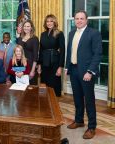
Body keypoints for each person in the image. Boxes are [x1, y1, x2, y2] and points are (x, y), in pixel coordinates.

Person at [65, 10, 102, 139]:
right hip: (74, 70)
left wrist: (90, 71)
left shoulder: (94, 33)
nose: (79, 21)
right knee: (77, 98)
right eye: (77, 18)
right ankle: (79, 120)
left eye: (82, 18)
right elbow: (69, 52)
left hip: (86, 72)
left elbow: (97, 54)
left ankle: (92, 127)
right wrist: (66, 68)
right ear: (74, 20)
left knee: (89, 100)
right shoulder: (71, 33)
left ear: (87, 20)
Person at [37, 14, 65, 97]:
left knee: (54, 86)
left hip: (55, 63)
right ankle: (45, 104)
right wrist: (39, 65)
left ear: (54, 22)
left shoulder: (59, 33)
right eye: (47, 21)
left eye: (51, 21)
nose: (49, 23)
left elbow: (63, 51)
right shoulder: (43, 34)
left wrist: (60, 67)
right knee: (44, 85)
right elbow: (41, 50)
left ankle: (54, 105)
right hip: (44, 63)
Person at [17, 20, 39, 85]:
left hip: (30, 65)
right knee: (20, 87)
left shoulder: (35, 39)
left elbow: (35, 56)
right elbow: (17, 53)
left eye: (28, 26)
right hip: (21, 65)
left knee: (31, 89)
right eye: (25, 26)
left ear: (31, 28)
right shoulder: (20, 38)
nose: (26, 28)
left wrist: (32, 71)